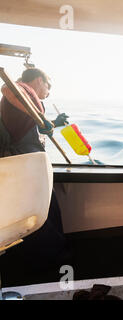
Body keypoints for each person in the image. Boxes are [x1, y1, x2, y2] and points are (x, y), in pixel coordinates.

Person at [0, 68, 71, 277]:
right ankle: (54, 268)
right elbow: (10, 88)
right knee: (43, 221)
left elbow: (23, 124)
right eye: (48, 87)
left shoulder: (23, 104)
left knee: (48, 218)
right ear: (39, 81)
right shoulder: (20, 89)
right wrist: (40, 115)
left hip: (27, 170)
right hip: (25, 172)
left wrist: (50, 123)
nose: (48, 93)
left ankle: (49, 263)